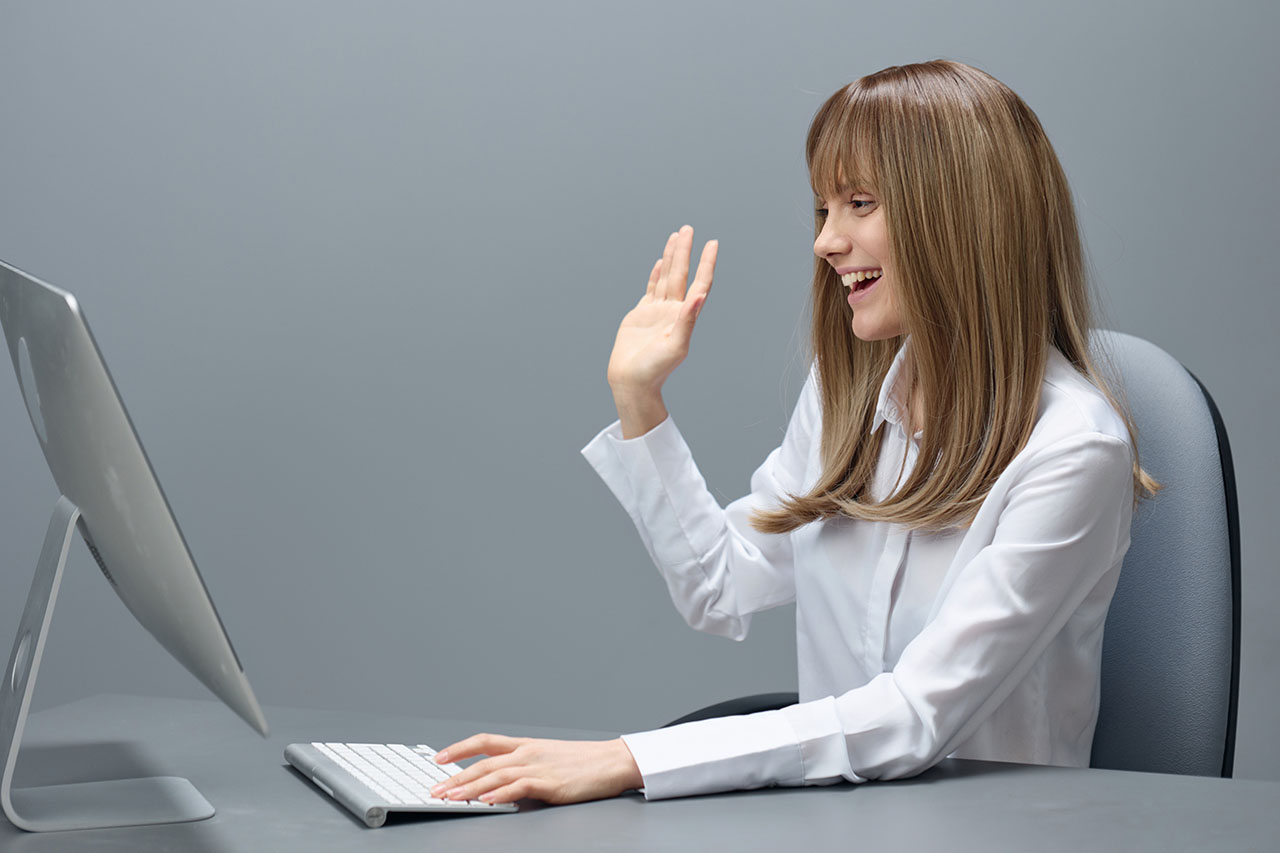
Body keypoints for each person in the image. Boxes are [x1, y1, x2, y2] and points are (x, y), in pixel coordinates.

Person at [428, 59, 1155, 806]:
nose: (826, 242)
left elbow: (914, 716)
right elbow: (721, 584)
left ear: (961, 215)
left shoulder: (1073, 450)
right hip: (833, 822)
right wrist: (638, 397)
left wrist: (629, 758)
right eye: (822, 210)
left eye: (859, 202)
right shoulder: (851, 399)